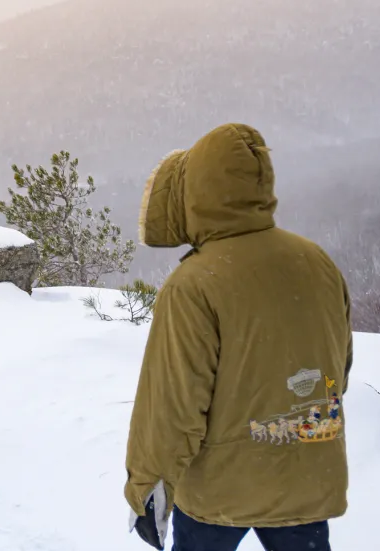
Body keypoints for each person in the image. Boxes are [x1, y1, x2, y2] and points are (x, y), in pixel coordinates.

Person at [125, 124, 353, 551]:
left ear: (195, 194)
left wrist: (148, 487)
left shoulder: (194, 283)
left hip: (221, 488)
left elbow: (173, 404)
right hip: (307, 475)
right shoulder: (316, 262)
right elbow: (338, 366)